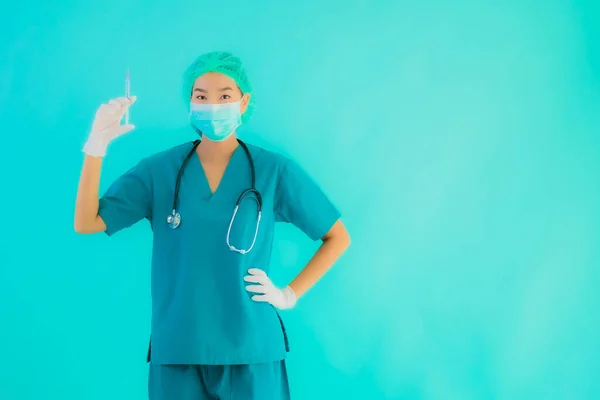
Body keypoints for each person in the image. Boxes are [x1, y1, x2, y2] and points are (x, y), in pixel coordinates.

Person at [74, 51, 350, 400]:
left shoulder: (273, 171)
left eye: (224, 95)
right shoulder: (159, 170)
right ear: (189, 101)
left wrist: (289, 294)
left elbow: (337, 236)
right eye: (201, 96)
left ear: (243, 100)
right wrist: (96, 146)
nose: (212, 105)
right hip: (178, 350)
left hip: (252, 349)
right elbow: (88, 222)